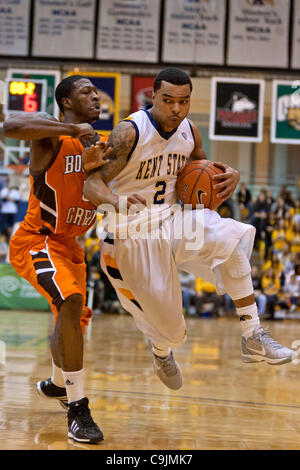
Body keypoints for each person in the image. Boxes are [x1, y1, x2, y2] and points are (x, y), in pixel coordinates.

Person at [82, 68, 295, 390]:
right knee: (172, 331)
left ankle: (253, 334)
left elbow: (200, 171)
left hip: (172, 220)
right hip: (129, 236)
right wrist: (116, 200)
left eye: (183, 101)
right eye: (168, 100)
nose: (176, 109)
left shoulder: (189, 130)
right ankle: (161, 349)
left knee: (231, 238)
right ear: (153, 97)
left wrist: (228, 175)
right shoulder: (129, 132)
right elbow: (90, 184)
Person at [3, 75, 111, 444]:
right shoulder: (51, 137)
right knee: (69, 301)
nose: (95, 96)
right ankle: (78, 409)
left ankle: (55, 382)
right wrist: (71, 127)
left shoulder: (102, 143)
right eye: (86, 92)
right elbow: (10, 126)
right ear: (66, 101)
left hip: (70, 246)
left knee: (69, 319)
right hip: (37, 240)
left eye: (96, 93)